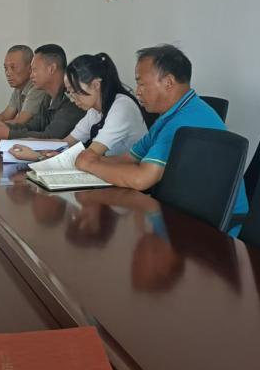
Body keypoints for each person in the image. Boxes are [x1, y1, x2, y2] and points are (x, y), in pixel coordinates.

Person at [73, 44, 249, 231]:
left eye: (142, 83)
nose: (137, 91)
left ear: (168, 82)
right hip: (182, 213)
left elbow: (141, 179)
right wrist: (92, 159)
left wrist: (90, 165)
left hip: (216, 228)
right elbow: (129, 158)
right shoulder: (169, 116)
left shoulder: (185, 120)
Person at [8, 53, 148, 162]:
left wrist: (38, 156)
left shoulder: (121, 106)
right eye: (69, 92)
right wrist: (28, 143)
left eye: (75, 91)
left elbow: (90, 156)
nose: (72, 99)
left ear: (95, 85)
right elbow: (66, 143)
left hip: (128, 180)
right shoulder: (94, 111)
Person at [0, 44, 85, 141]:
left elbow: (51, 137)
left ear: (51, 69)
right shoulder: (48, 97)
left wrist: (9, 134)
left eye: (34, 69)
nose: (31, 75)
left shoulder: (72, 98)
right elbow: (32, 127)